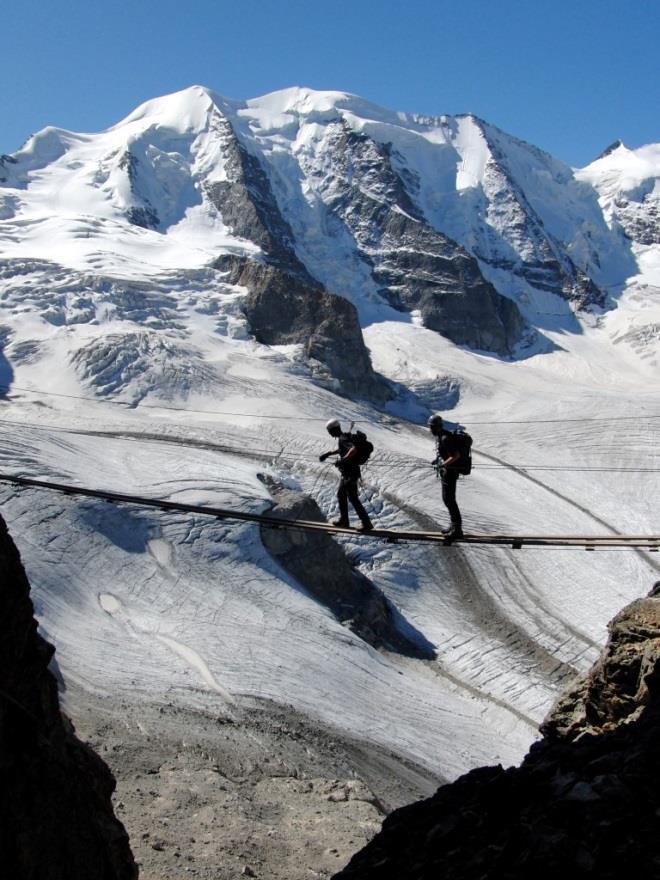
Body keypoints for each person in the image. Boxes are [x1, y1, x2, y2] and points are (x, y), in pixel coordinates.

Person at [319, 419, 373, 531]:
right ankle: (344, 521)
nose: (329, 434)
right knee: (341, 495)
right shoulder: (344, 437)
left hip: (351, 473)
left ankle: (366, 523)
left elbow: (353, 450)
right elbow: (342, 449)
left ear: (333, 430)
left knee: (353, 498)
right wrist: (328, 454)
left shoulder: (343, 438)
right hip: (347, 473)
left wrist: (342, 460)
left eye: (329, 431)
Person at [428, 413, 464, 539]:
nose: (430, 429)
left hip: (450, 472)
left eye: (432, 427)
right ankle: (453, 525)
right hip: (447, 471)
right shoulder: (440, 436)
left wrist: (443, 465)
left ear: (438, 427)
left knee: (449, 499)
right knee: (447, 499)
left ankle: (457, 529)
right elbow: (444, 454)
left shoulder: (445, 438)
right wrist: (437, 461)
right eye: (430, 426)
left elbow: (455, 455)